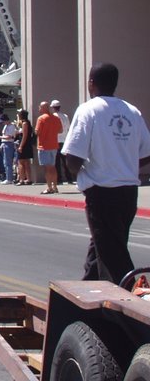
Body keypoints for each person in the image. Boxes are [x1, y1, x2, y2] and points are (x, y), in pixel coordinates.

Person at [63, 63, 150, 284]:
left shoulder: (88, 110)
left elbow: (73, 158)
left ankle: (131, 301)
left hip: (102, 191)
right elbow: (147, 153)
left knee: (114, 257)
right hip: (128, 192)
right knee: (104, 245)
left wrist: (82, 172)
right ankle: (88, 288)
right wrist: (124, 164)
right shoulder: (131, 111)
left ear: (91, 82)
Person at [35, 100, 63, 195]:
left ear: (43, 108)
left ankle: (49, 187)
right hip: (54, 145)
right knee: (53, 167)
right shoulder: (55, 118)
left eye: (40, 107)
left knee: (47, 168)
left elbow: (37, 132)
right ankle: (55, 186)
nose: (39, 108)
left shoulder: (41, 119)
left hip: (44, 146)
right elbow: (60, 130)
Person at [52, 100, 74, 184]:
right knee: (65, 161)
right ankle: (69, 178)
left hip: (56, 140)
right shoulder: (65, 116)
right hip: (64, 140)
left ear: (53, 108)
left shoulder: (53, 116)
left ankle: (59, 179)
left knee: (57, 161)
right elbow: (68, 128)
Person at [0, 112, 19, 185]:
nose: (3, 123)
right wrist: (2, 144)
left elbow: (10, 137)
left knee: (8, 162)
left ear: (6, 120)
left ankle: (9, 178)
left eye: (3, 121)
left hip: (9, 144)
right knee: (5, 162)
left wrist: (0, 137)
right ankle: (8, 177)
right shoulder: (6, 126)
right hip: (5, 143)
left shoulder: (11, 126)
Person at [15, 109, 33, 185]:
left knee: (21, 162)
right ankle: (28, 179)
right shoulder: (27, 123)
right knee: (27, 162)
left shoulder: (25, 123)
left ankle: (22, 179)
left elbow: (24, 136)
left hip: (24, 144)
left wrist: (21, 146)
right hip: (27, 144)